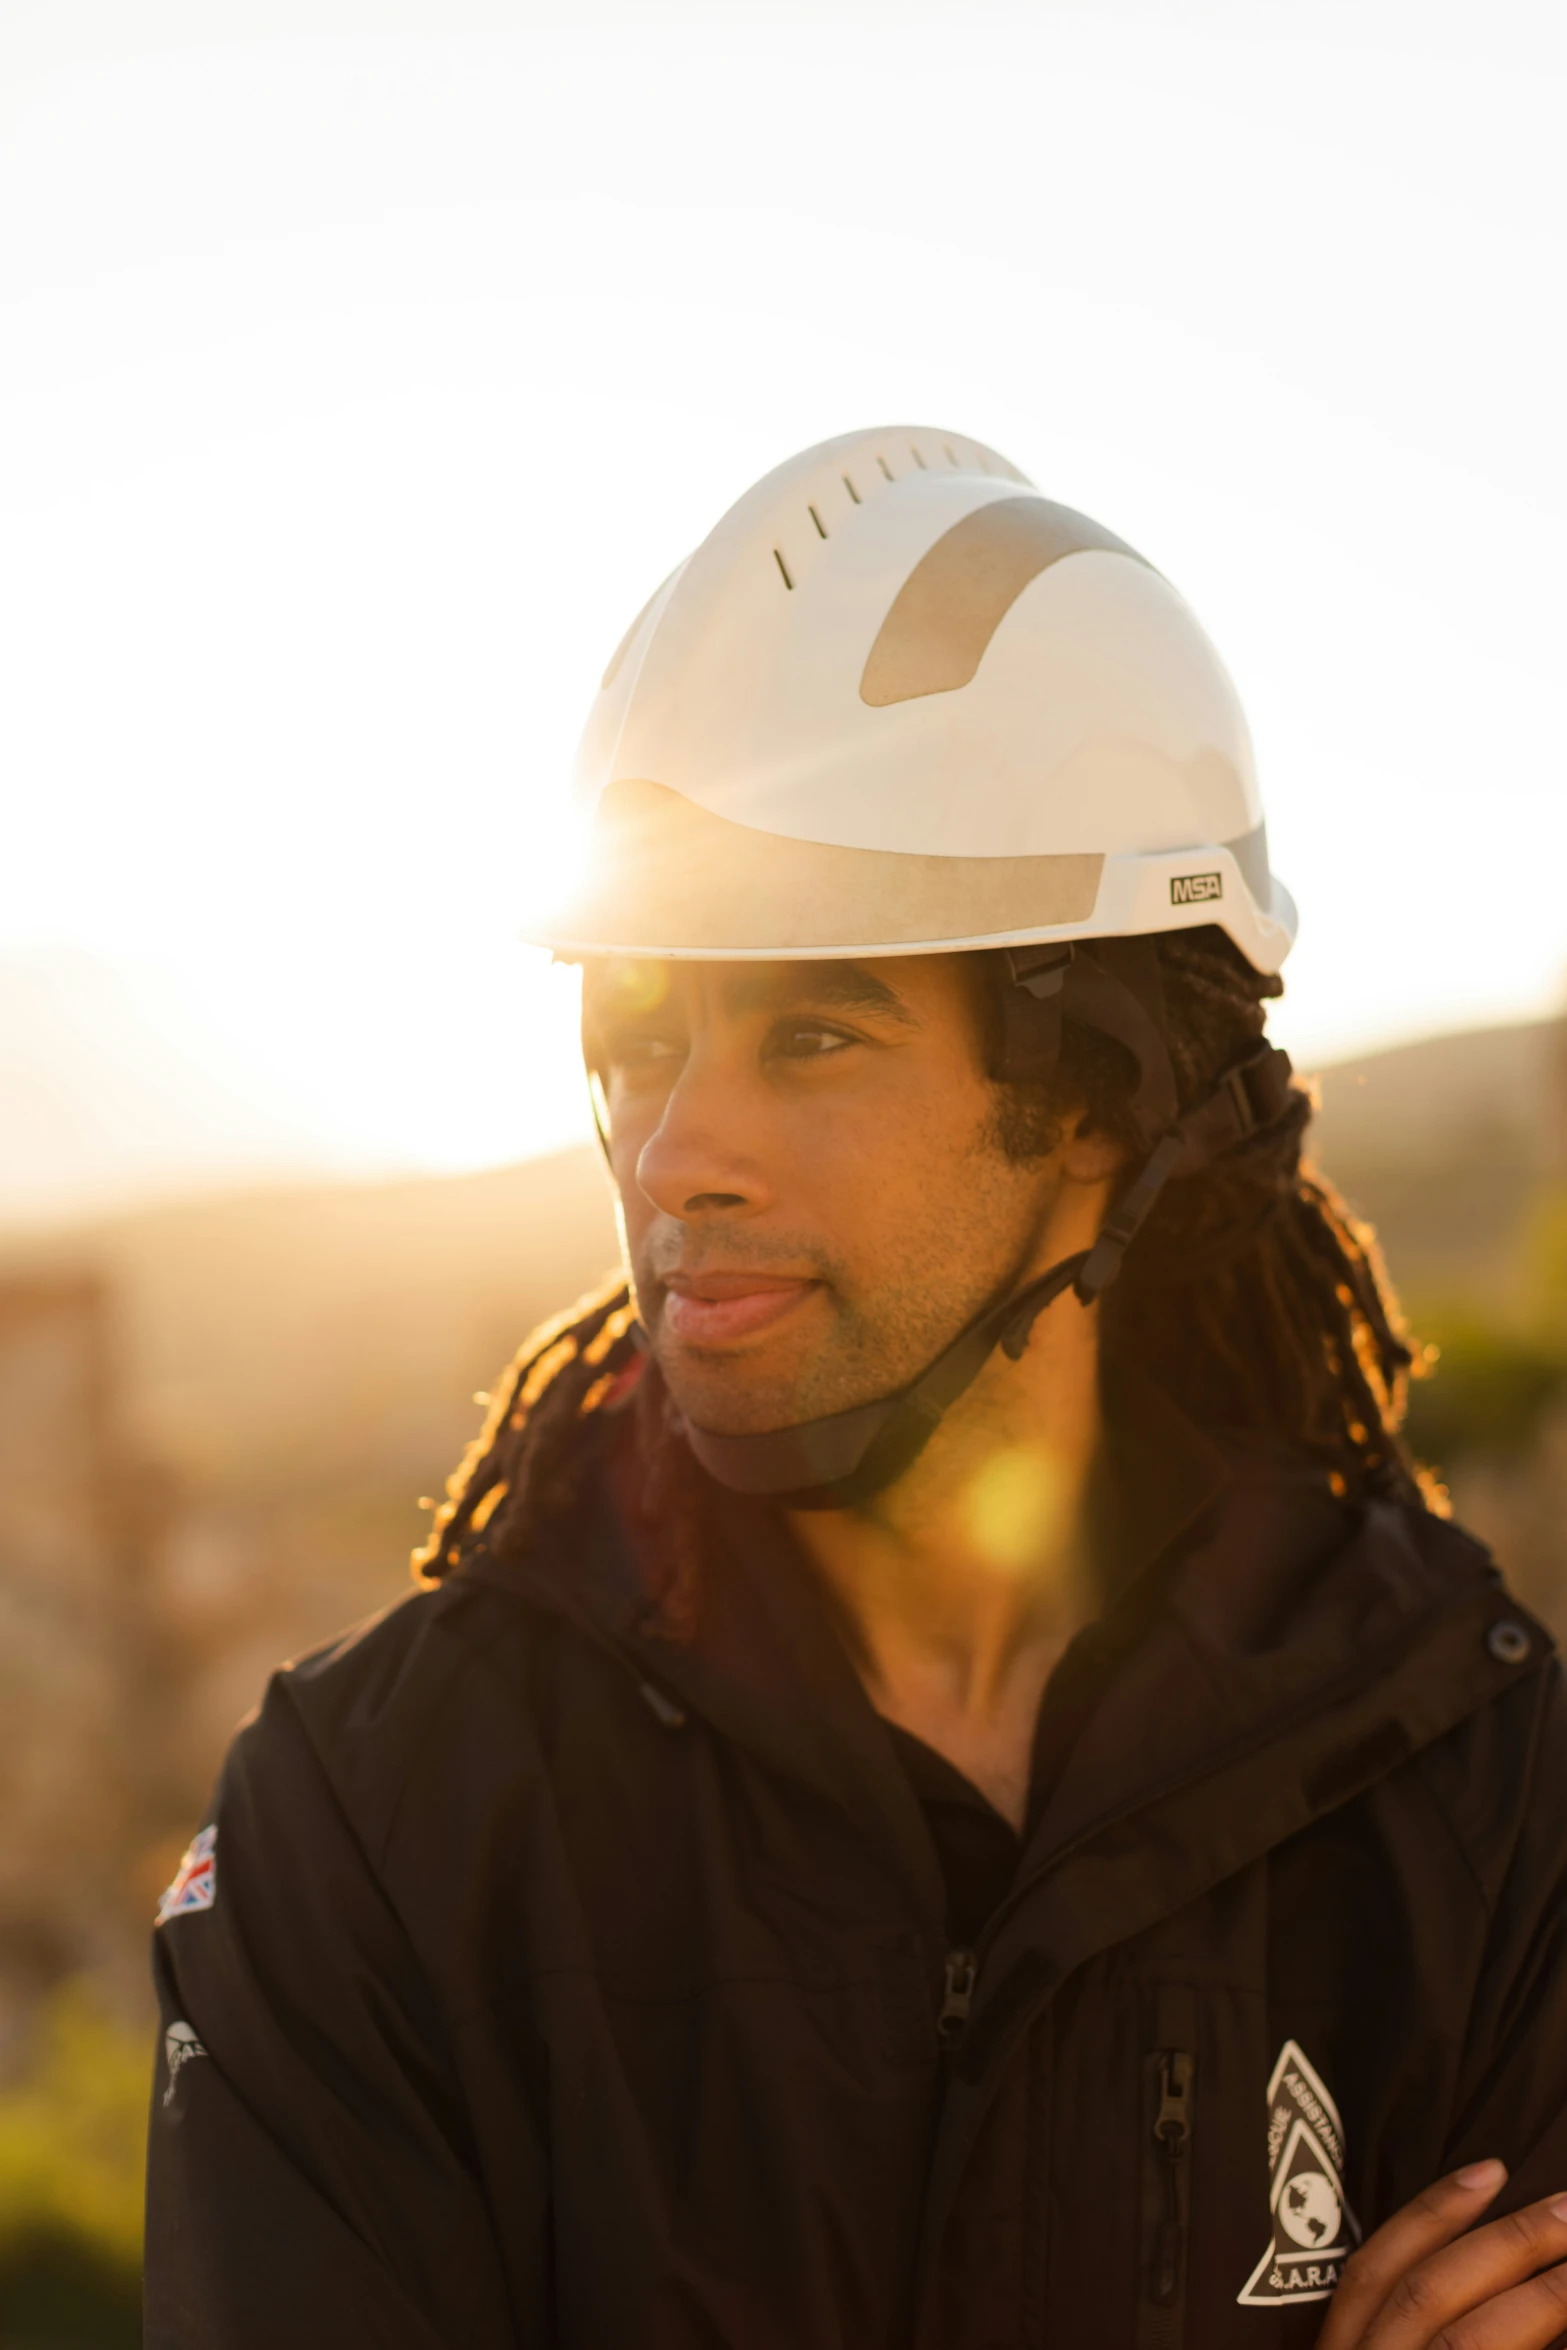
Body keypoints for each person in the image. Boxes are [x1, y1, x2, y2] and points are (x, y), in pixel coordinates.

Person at [144, 428, 1567, 2348]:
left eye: (811, 1030)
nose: (670, 1154)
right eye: (640, 1039)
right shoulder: (377, 1831)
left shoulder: (1469, 1791)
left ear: (1096, 1096)